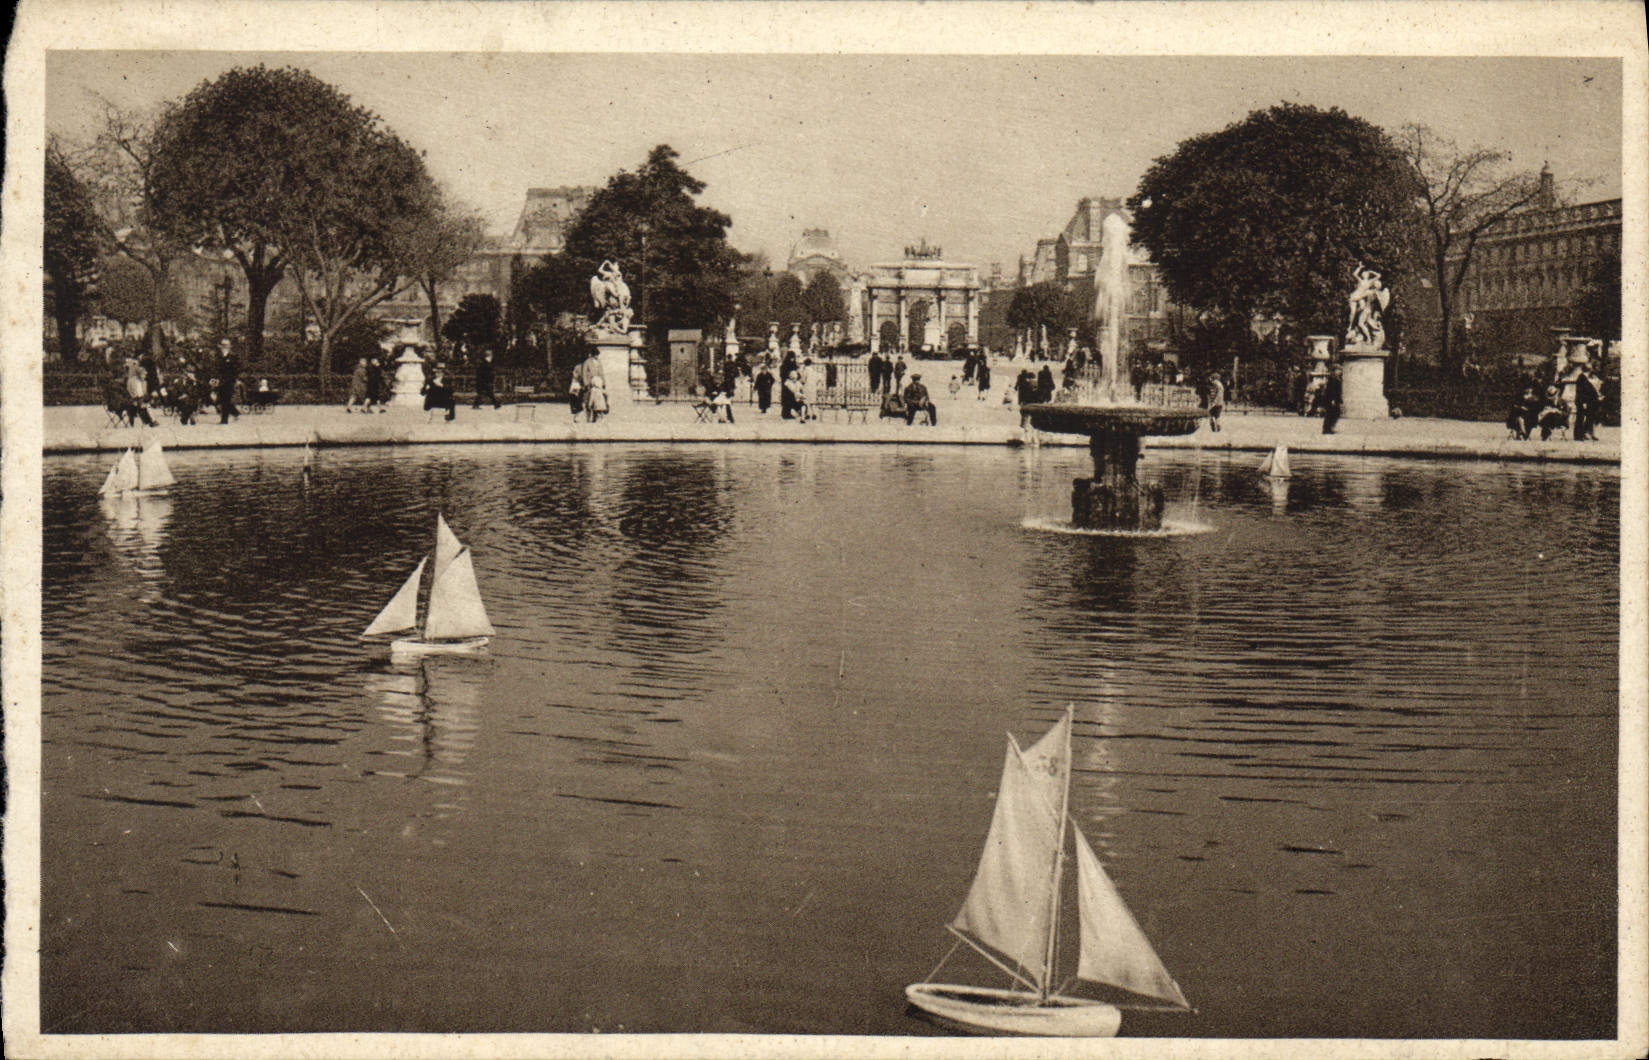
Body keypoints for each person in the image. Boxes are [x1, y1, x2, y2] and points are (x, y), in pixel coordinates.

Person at [124, 356, 157, 426]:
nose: (145, 376)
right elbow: (132, 393)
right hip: (134, 400)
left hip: (139, 399)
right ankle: (150, 421)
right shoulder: (133, 381)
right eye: (143, 374)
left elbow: (143, 393)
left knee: (146, 405)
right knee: (144, 406)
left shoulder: (142, 382)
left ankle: (151, 420)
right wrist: (136, 398)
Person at [215, 339, 240, 424]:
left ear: (229, 347)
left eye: (226, 346)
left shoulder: (233, 357)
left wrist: (234, 379)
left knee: (226, 399)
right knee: (221, 400)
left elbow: (236, 370)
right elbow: (216, 369)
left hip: (229, 381)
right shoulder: (218, 356)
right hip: (220, 381)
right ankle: (235, 412)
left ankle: (224, 420)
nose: (224, 347)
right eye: (223, 346)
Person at [1320, 366, 1342, 435]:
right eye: (1338, 370)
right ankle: (1327, 429)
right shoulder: (1333, 379)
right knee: (1331, 414)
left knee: (1334, 414)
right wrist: (1333, 399)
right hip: (1332, 400)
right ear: (1334, 371)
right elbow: (1332, 390)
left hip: (1334, 399)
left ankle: (1329, 428)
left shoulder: (1336, 379)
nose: (1340, 372)